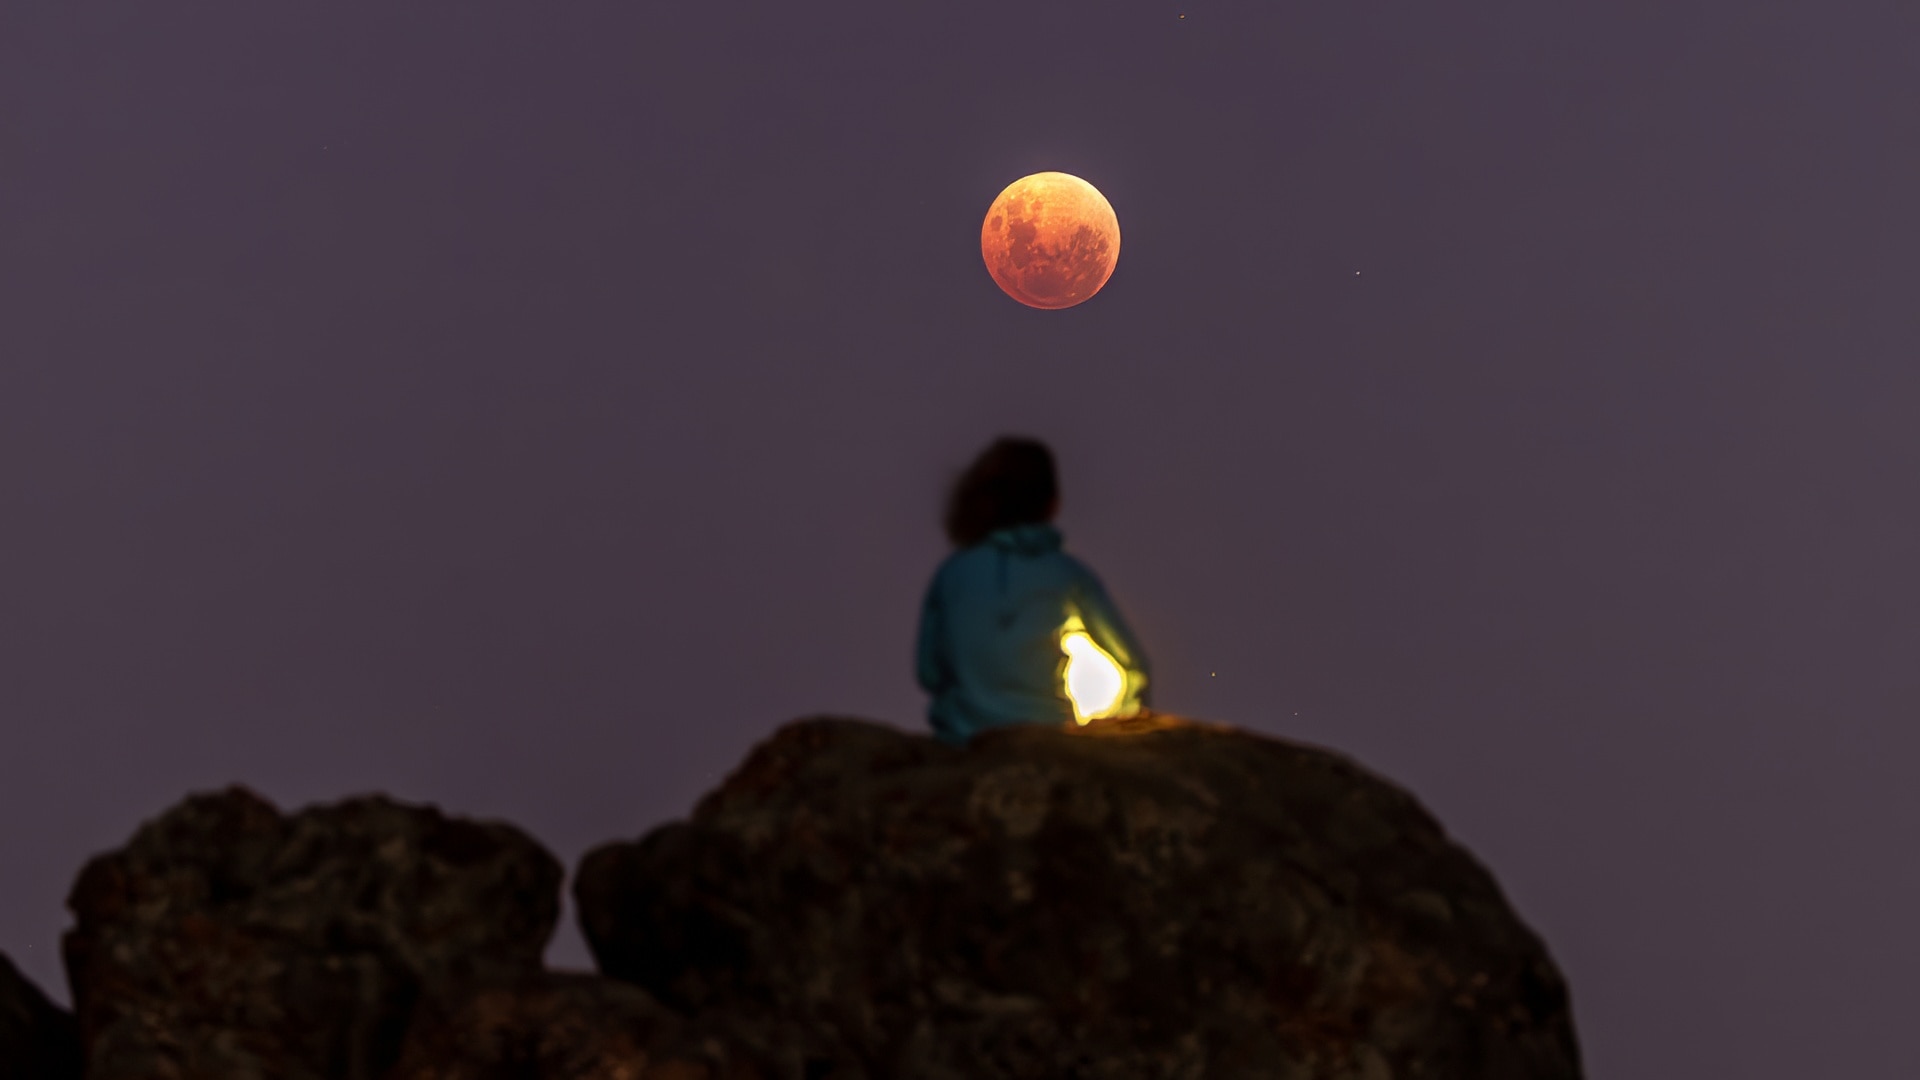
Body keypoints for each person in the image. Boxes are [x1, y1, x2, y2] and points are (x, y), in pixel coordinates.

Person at [915, 436, 1151, 746]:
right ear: (1052, 503)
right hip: (1046, 737)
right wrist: (1112, 723)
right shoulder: (1068, 575)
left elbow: (928, 672)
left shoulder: (951, 574)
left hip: (962, 739)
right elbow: (1134, 668)